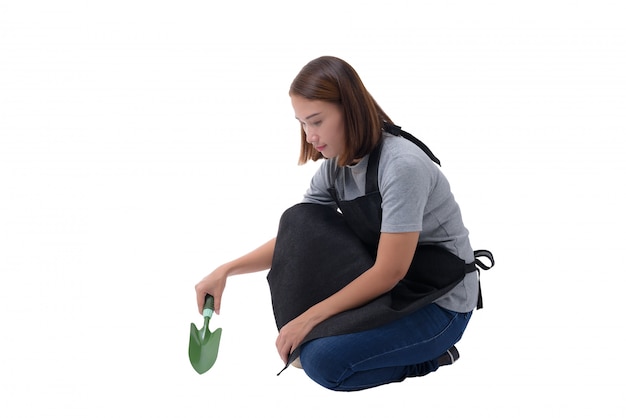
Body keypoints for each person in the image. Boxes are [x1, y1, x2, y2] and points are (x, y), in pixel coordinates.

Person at [194, 56, 493, 391]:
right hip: (392, 291)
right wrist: (226, 270)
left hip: (439, 302)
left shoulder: (402, 166)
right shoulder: (335, 168)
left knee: (324, 362)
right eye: (302, 123)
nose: (309, 136)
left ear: (349, 110)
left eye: (316, 121)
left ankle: (432, 358)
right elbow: (294, 237)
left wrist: (309, 319)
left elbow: (389, 271)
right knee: (299, 219)